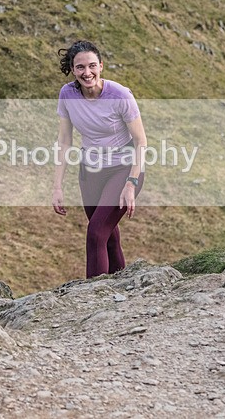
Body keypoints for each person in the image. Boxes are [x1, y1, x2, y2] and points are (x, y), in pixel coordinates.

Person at [51, 40, 146, 278]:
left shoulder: (120, 95)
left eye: (92, 66)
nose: (87, 72)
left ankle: (93, 293)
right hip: (90, 171)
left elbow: (141, 141)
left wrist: (131, 183)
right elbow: (64, 141)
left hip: (123, 169)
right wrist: (57, 187)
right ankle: (120, 290)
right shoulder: (67, 94)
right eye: (80, 67)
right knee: (107, 235)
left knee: (96, 233)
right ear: (73, 69)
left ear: (101, 66)